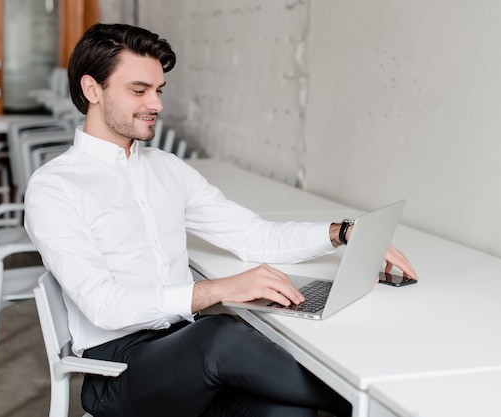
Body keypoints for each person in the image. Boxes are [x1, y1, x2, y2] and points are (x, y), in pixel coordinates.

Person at [25, 23, 418, 417]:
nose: (157, 104)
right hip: (121, 373)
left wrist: (343, 233)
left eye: (158, 90)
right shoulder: (55, 187)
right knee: (222, 332)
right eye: (139, 90)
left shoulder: (167, 169)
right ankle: (385, 407)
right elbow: (103, 305)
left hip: (189, 357)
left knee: (287, 412)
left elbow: (252, 235)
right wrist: (217, 290)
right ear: (93, 90)